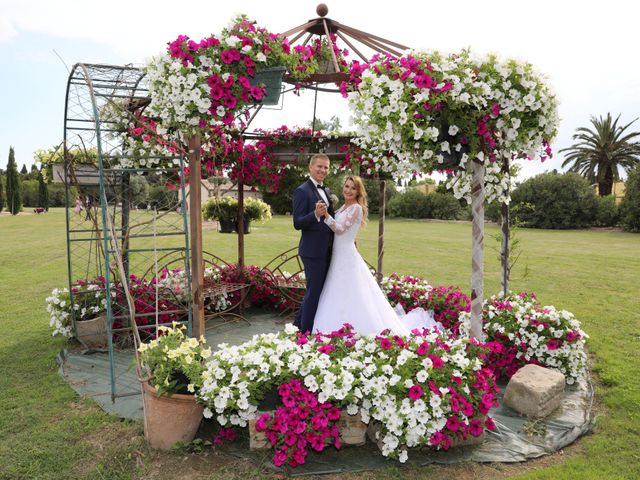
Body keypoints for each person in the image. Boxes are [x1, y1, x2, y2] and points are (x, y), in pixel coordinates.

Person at [313, 175, 441, 336]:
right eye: (347, 186)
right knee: (337, 290)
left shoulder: (356, 208)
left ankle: (358, 327)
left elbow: (340, 229)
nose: (349, 190)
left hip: (347, 257)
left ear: (358, 192)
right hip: (338, 255)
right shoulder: (342, 209)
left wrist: (325, 215)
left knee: (352, 291)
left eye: (353, 188)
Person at [292, 154, 335, 333]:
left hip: (327, 249)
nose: (322, 170)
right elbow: (297, 222)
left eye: (326, 167)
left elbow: (331, 220)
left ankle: (297, 325)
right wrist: (315, 214)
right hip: (312, 251)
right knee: (314, 292)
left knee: (317, 291)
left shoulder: (326, 190)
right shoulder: (302, 191)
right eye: (319, 166)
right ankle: (305, 333)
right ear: (310, 167)